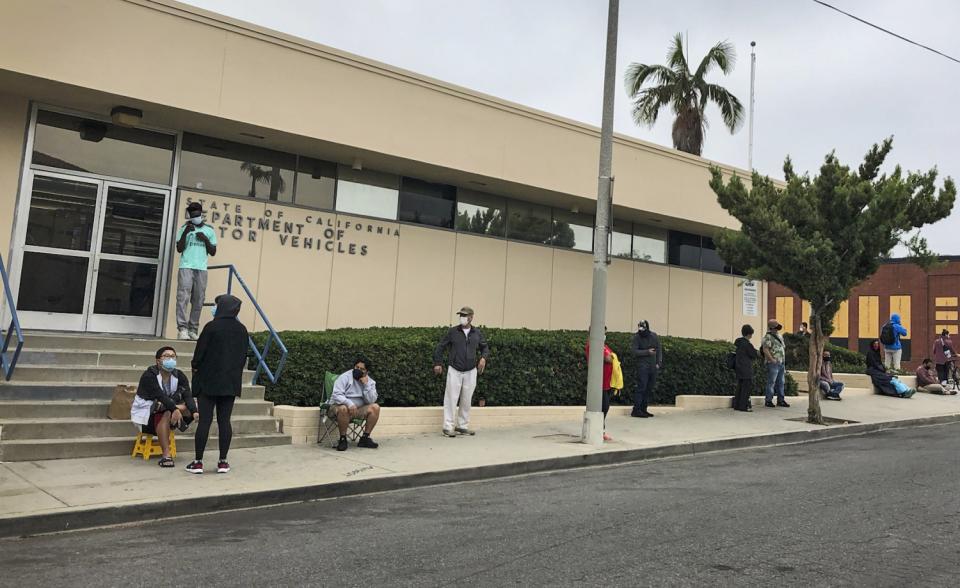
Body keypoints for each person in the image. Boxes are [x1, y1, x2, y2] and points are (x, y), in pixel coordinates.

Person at [185, 294, 248, 474]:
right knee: (224, 421)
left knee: (205, 421)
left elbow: (199, 355)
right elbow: (242, 357)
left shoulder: (211, 327)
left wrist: (195, 368)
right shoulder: (242, 329)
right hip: (230, 383)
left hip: (208, 381)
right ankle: (223, 461)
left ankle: (198, 462)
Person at [130, 346, 199, 468]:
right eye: (167, 356)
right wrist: (175, 409)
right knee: (166, 410)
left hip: (169, 410)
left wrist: (194, 412)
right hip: (148, 418)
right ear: (158, 361)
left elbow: (187, 395)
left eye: (173, 356)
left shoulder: (179, 375)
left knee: (193, 405)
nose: (170, 359)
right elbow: (160, 396)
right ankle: (166, 456)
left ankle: (175, 415)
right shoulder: (149, 376)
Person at [433, 306, 489, 437]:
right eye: (461, 315)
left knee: (466, 399)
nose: (462, 317)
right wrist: (437, 363)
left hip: (471, 370)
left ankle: (462, 425)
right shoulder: (453, 332)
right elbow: (440, 347)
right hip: (455, 369)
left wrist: (483, 358)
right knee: (451, 398)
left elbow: (485, 348)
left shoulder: (477, 333)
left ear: (471, 317)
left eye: (465, 315)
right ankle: (448, 426)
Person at [176, 201, 217, 341]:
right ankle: (182, 328)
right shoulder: (184, 228)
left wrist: (205, 240)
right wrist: (186, 233)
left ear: (200, 213)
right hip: (186, 266)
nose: (194, 215)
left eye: (196, 213)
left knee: (198, 299)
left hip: (201, 268)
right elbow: (179, 248)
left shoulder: (209, 230)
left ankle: (193, 329)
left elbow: (213, 252)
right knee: (183, 297)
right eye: (191, 213)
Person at [329, 358, 381, 451]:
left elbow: (371, 400)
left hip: (357, 410)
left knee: (375, 407)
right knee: (343, 408)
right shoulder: (344, 377)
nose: (358, 370)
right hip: (338, 408)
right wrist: (349, 403)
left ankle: (365, 438)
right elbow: (336, 395)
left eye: (362, 369)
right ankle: (342, 439)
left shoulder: (370, 382)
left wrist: (366, 385)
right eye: (357, 367)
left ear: (367, 371)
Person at [585, 327, 614, 441]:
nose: (604, 335)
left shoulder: (603, 345)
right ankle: (599, 431)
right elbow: (609, 358)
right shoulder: (594, 345)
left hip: (606, 382)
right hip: (599, 382)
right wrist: (612, 358)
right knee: (603, 406)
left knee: (605, 406)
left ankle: (601, 430)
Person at [631, 320, 662, 418]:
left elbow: (659, 350)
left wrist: (658, 363)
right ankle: (636, 410)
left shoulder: (654, 336)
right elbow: (634, 351)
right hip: (642, 366)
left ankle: (644, 409)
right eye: (640, 329)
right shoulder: (637, 337)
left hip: (653, 367)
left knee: (649, 388)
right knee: (641, 387)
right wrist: (647, 352)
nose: (641, 331)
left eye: (643, 329)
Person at [761, 319, 790, 408]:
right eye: (776, 327)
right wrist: (772, 359)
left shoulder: (779, 336)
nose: (777, 329)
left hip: (781, 362)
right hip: (773, 363)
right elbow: (765, 349)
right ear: (771, 327)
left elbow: (782, 347)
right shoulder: (768, 337)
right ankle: (768, 400)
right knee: (771, 382)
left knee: (781, 382)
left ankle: (781, 400)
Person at [733, 324, 759, 412]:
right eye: (751, 334)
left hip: (738, 367)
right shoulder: (747, 344)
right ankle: (743, 406)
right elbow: (754, 355)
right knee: (746, 388)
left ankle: (737, 405)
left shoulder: (738, 342)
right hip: (746, 368)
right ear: (749, 334)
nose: (751, 336)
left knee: (739, 387)